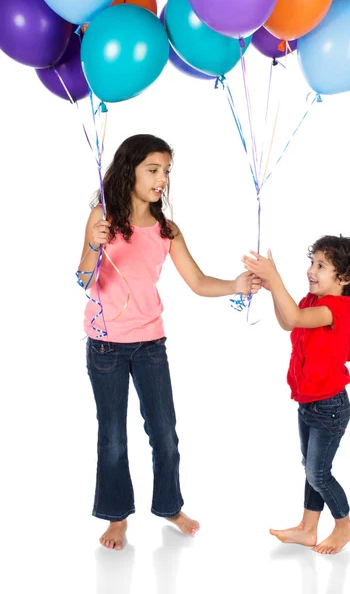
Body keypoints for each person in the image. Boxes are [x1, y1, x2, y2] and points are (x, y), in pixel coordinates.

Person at [77, 134, 261, 551]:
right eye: (154, 170)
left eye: (166, 172)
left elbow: (196, 281)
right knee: (112, 435)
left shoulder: (166, 229)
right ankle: (116, 516)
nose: (162, 180)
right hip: (105, 344)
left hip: (149, 344)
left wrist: (236, 284)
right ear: (130, 170)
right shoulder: (101, 217)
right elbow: (84, 279)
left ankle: (168, 506)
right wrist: (94, 246)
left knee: (164, 432)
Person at [243, 236, 350, 554]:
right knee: (312, 469)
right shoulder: (313, 302)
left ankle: (344, 526)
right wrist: (275, 290)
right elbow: (289, 321)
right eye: (312, 263)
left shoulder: (336, 309)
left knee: (319, 473)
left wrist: (275, 278)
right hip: (309, 403)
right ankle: (307, 528)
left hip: (330, 406)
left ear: (343, 278)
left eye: (321, 266)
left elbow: (297, 319)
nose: (311, 271)